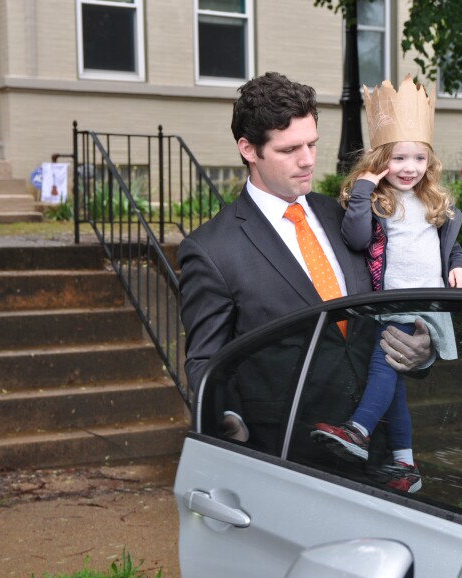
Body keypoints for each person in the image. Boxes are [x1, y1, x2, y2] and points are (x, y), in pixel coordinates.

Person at [177, 71, 431, 455]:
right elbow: (205, 363)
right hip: (285, 456)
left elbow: (393, 299)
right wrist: (229, 419)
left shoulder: (347, 216)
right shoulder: (212, 250)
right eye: (289, 150)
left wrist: (421, 351)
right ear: (248, 150)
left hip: (375, 450)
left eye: (312, 144)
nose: (307, 161)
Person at [311, 75, 462, 493]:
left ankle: (360, 431)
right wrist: (364, 188)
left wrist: (461, 267)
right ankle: (405, 464)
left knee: (386, 364)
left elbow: (451, 249)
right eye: (399, 158)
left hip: (425, 305)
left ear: (429, 162)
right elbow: (357, 238)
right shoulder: (379, 201)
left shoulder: (436, 203)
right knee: (393, 381)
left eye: (418, 159)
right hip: (390, 302)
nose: (409, 168)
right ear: (382, 159)